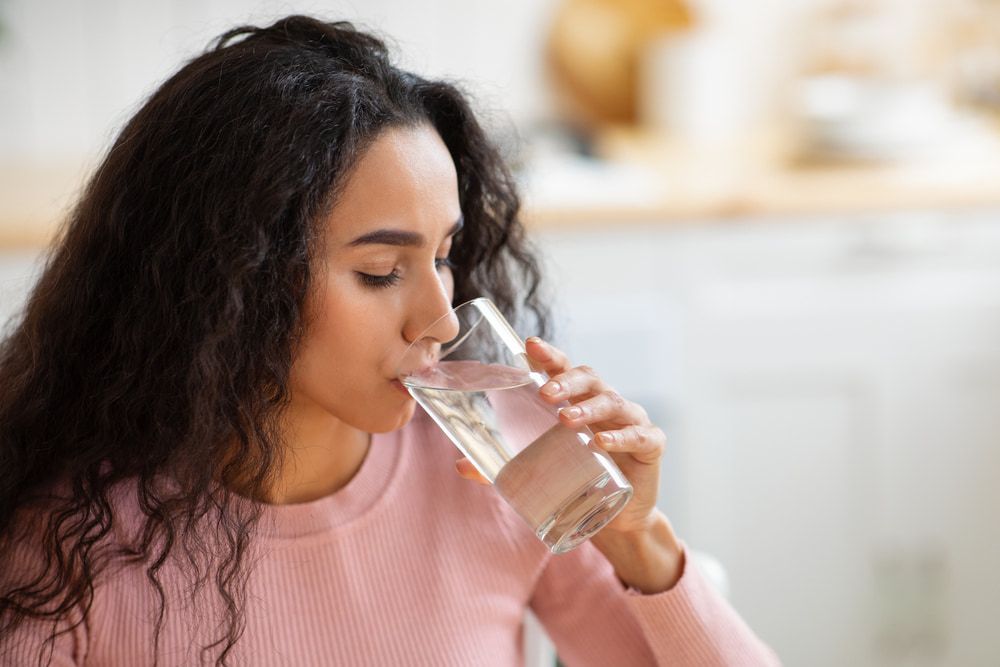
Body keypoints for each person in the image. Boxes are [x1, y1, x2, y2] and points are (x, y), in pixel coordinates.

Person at [0, 15, 780, 666]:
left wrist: (639, 540)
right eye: (381, 271)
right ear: (227, 281)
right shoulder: (72, 541)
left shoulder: (501, 468)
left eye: (443, 256)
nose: (441, 319)